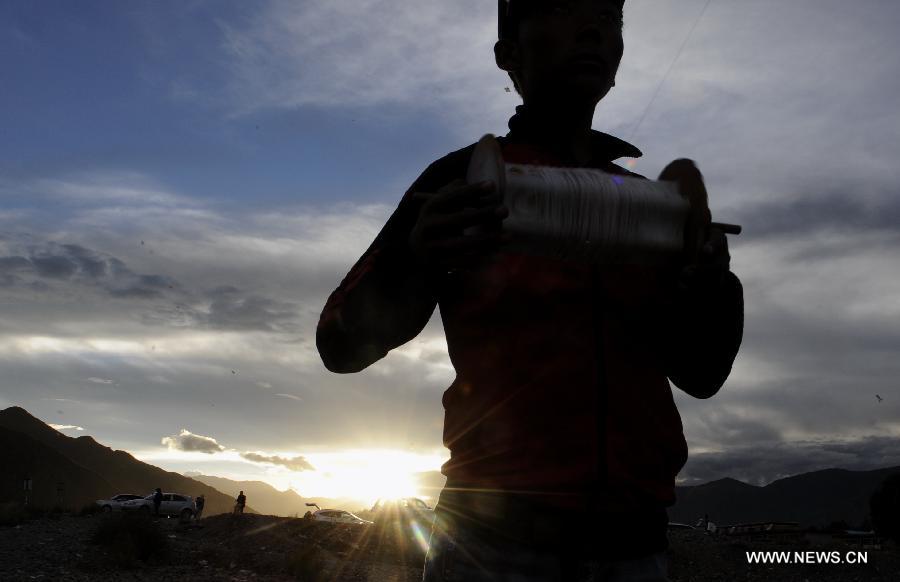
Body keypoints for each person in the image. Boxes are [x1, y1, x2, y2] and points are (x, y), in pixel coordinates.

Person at [316, 0, 743, 580]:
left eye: (611, 15)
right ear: (508, 54)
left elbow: (702, 372)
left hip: (636, 550)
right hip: (489, 549)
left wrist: (711, 287)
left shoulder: (652, 208)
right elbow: (339, 345)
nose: (595, 27)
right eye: (567, 6)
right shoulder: (459, 183)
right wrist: (417, 258)